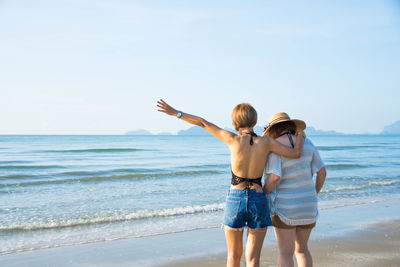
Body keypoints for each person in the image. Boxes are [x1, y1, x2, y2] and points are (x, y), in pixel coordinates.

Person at [157, 100, 306, 267]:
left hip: (236, 198)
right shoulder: (266, 142)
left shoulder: (232, 139)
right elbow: (296, 153)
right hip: (258, 199)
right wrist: (300, 135)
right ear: (254, 121)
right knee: (253, 259)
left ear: (235, 122)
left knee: (233, 256)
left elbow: (203, 123)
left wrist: (176, 113)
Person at [262, 112, 327, 267]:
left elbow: (275, 178)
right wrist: (314, 193)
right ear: (291, 126)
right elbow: (322, 172)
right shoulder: (308, 143)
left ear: (273, 129)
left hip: (285, 208)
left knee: (285, 253)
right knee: (302, 250)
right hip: (308, 206)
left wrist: (263, 194)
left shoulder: (275, 146)